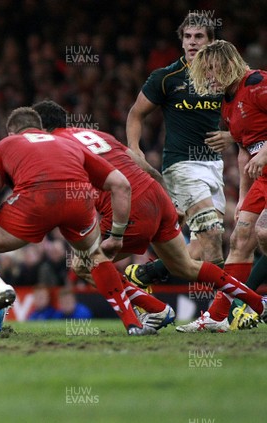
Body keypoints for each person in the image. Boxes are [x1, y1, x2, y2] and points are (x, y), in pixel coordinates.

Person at [32, 99, 267, 332]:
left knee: (84, 264)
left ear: (41, 130)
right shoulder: (94, 135)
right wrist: (169, 199)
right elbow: (138, 162)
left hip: (130, 204)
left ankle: (155, 309)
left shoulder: (54, 145)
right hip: (156, 194)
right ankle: (258, 302)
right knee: (185, 265)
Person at [0, 106, 156, 336]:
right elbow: (121, 185)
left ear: (12, 132)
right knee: (94, 256)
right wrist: (117, 235)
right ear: (41, 129)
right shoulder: (68, 143)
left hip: (35, 200)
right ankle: (133, 323)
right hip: (78, 200)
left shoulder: (5, 145)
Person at [125, 13, 233, 289]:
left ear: (211, 42)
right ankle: (224, 309)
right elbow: (136, 114)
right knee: (211, 234)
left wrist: (231, 136)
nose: (192, 42)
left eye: (199, 37)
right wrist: (134, 148)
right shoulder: (167, 77)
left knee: (201, 244)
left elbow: (248, 115)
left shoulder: (224, 77)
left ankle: (144, 275)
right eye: (187, 37)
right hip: (181, 165)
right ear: (181, 41)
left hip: (213, 165)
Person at [182, 39, 267, 331]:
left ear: (228, 64)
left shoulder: (257, 83)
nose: (208, 77)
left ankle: (251, 305)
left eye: (212, 69)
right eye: (204, 72)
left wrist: (265, 153)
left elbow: (258, 149)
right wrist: (243, 196)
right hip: (261, 178)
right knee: (240, 241)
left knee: (263, 233)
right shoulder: (228, 105)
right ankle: (216, 317)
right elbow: (245, 150)